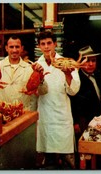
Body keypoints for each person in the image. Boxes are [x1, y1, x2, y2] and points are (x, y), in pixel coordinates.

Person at [35, 31, 80, 169]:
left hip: (62, 117)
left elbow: (73, 91)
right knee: (48, 161)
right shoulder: (37, 65)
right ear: (39, 46)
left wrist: (67, 74)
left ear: (55, 44)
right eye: (43, 44)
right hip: (44, 117)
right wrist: (38, 78)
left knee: (67, 161)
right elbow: (36, 91)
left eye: (49, 43)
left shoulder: (67, 62)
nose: (46, 47)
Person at [0, 35, 47, 111]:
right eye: (11, 47)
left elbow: (43, 91)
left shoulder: (31, 68)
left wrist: (41, 77)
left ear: (22, 48)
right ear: (6, 48)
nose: (14, 50)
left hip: (22, 114)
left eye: (17, 47)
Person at [70, 45, 101, 169]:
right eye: (87, 61)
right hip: (83, 120)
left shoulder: (99, 75)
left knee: (98, 150)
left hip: (98, 119)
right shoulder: (76, 78)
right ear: (81, 63)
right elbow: (72, 101)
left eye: (94, 61)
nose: (91, 64)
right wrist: (75, 123)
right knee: (85, 151)